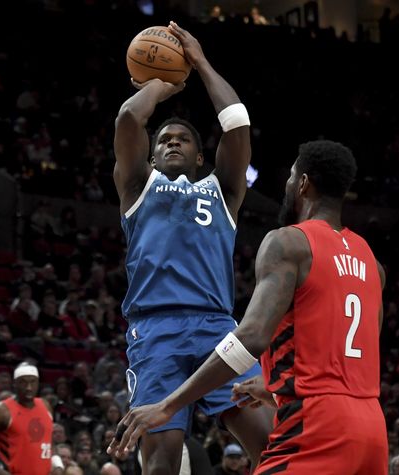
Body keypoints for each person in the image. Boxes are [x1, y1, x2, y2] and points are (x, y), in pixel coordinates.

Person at [109, 140, 388, 474]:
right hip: (372, 429)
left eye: (290, 177)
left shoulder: (290, 242)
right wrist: (273, 385)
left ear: (302, 184)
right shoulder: (372, 263)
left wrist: (169, 405)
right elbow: (349, 357)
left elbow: (252, 337)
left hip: (316, 427)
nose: (287, 185)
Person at [111, 21, 270, 474]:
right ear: (152, 156)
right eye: (164, 141)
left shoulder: (223, 191)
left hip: (218, 328)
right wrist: (161, 83)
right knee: (161, 463)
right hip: (155, 331)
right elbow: (128, 118)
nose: (172, 142)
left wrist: (199, 63)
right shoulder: (138, 187)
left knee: (274, 448)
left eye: (182, 139)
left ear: (202, 157)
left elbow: (237, 121)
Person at [0, 363, 64, 475]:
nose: (29, 387)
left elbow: (48, 440)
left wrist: (58, 465)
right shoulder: (1, 411)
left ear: (38, 383)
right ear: (14, 384)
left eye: (32, 382)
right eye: (23, 382)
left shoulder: (45, 405)